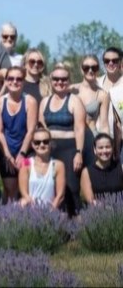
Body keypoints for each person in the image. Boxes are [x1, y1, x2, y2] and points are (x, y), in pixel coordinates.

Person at [39, 64, 86, 216]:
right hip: (50, 150)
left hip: (70, 149)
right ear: (51, 80)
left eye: (64, 79)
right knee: (52, 187)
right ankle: (55, 221)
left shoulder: (74, 101)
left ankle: (77, 222)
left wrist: (79, 152)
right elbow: (42, 128)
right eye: (56, 79)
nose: (60, 82)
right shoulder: (45, 102)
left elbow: (79, 129)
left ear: (69, 80)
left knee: (72, 187)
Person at [0, 66, 38, 203]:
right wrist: (7, 153)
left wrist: (22, 153)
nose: (14, 82)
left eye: (18, 79)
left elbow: (31, 130)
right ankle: (7, 221)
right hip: (6, 151)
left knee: (26, 189)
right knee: (10, 190)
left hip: (26, 151)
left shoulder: (30, 101)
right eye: (10, 78)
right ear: (6, 81)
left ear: (23, 81)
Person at [71, 55, 112, 163]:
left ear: (98, 69)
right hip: (72, 137)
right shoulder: (71, 90)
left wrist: (106, 146)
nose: (90, 70)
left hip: (91, 137)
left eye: (94, 68)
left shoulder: (102, 95)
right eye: (86, 67)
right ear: (81, 69)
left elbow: (104, 124)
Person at [18, 126, 65, 208]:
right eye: (37, 142)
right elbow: (24, 193)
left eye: (45, 142)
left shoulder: (58, 165)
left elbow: (60, 195)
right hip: (30, 207)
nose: (42, 145)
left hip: (50, 208)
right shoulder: (26, 163)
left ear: (50, 143)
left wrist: (51, 210)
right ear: (32, 144)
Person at [80, 133, 123, 204]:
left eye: (108, 147)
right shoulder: (87, 172)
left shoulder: (121, 168)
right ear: (95, 150)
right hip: (98, 211)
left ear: (112, 148)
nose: (104, 151)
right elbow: (90, 200)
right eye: (101, 148)